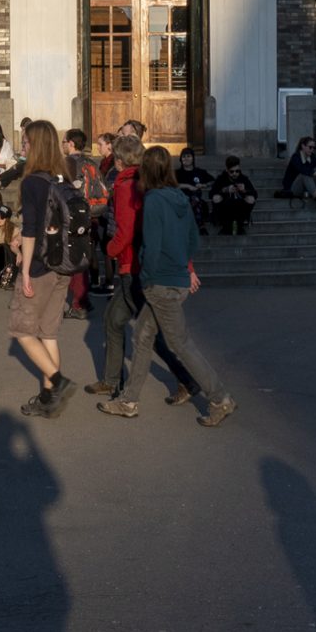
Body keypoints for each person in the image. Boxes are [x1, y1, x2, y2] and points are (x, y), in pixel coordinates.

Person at [102, 145, 235, 426]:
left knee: (181, 344)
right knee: (142, 336)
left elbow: (151, 246)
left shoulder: (153, 200)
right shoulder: (180, 197)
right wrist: (183, 267)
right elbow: (193, 240)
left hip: (160, 281)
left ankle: (220, 397)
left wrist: (148, 276)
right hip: (175, 279)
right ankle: (128, 400)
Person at [85, 135, 202, 412]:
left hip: (132, 266)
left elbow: (126, 230)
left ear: (119, 159)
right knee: (114, 320)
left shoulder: (126, 185)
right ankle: (112, 379)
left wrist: (110, 250)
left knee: (149, 333)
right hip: (136, 264)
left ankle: (184, 380)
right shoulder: (143, 182)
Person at [9, 121, 77, 417]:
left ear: (35, 145)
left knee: (21, 330)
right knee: (48, 333)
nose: (22, 147)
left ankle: (59, 382)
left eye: (25, 142)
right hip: (65, 264)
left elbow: (31, 230)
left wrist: (24, 271)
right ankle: (49, 397)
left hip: (40, 265)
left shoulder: (32, 182)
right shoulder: (62, 178)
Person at [63, 128, 103, 320]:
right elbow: (103, 194)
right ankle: (84, 300)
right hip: (91, 219)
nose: (63, 145)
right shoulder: (92, 164)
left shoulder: (66, 165)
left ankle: (78, 303)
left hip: (72, 221)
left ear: (71, 143)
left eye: (64, 142)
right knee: (83, 262)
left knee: (74, 264)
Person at [210, 155, 257, 234]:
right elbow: (211, 194)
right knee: (216, 198)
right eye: (232, 171)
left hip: (239, 206)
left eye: (237, 171)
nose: (235, 173)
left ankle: (239, 224)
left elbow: (255, 194)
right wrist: (225, 190)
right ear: (227, 170)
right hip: (225, 206)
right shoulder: (221, 178)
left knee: (251, 199)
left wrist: (244, 190)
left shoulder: (243, 178)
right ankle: (225, 225)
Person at [280, 136, 316, 207]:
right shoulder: (295, 157)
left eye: (313, 148)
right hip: (294, 188)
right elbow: (302, 169)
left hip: (309, 186)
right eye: (310, 147)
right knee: (305, 174)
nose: (312, 150)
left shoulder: (312, 157)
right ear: (303, 146)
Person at [176, 146, 214, 232]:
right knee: (192, 201)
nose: (186, 159)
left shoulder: (200, 172)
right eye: (184, 157)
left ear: (193, 158)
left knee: (196, 200)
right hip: (180, 199)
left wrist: (204, 185)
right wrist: (188, 186)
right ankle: (200, 226)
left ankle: (195, 226)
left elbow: (213, 181)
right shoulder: (177, 173)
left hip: (196, 200)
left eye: (188, 156)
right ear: (181, 159)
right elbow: (171, 184)